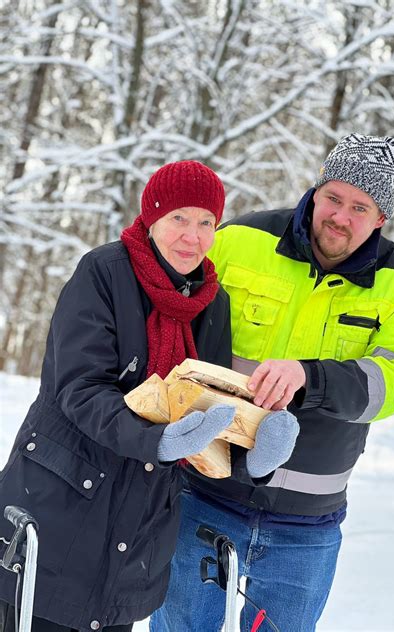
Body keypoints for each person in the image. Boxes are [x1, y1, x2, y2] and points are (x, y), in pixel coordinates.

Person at [0, 160, 298, 632]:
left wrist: (251, 459)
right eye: (179, 217)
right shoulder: (103, 272)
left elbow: (211, 409)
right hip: (59, 503)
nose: (192, 236)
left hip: (139, 528)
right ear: (152, 216)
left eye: (206, 223)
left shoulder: (213, 303)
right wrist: (156, 440)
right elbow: (79, 388)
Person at [151, 134, 394, 631]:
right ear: (317, 188)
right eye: (334, 198)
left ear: (381, 218)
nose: (341, 216)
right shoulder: (240, 241)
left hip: (306, 525)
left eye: (360, 207)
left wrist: (310, 376)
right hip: (206, 493)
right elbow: (169, 317)